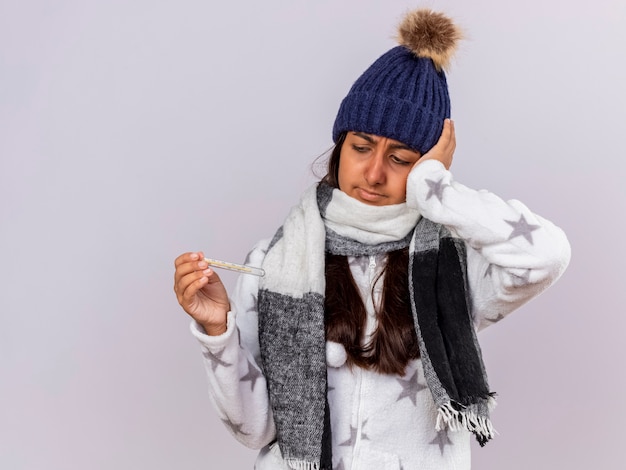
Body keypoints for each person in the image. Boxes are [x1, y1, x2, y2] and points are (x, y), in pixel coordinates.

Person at [173, 8, 570, 470]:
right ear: (341, 145)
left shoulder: (454, 266)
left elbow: (547, 254)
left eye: (401, 159)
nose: (375, 172)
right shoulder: (274, 262)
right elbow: (255, 430)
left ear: (425, 165)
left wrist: (436, 190)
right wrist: (218, 332)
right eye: (361, 147)